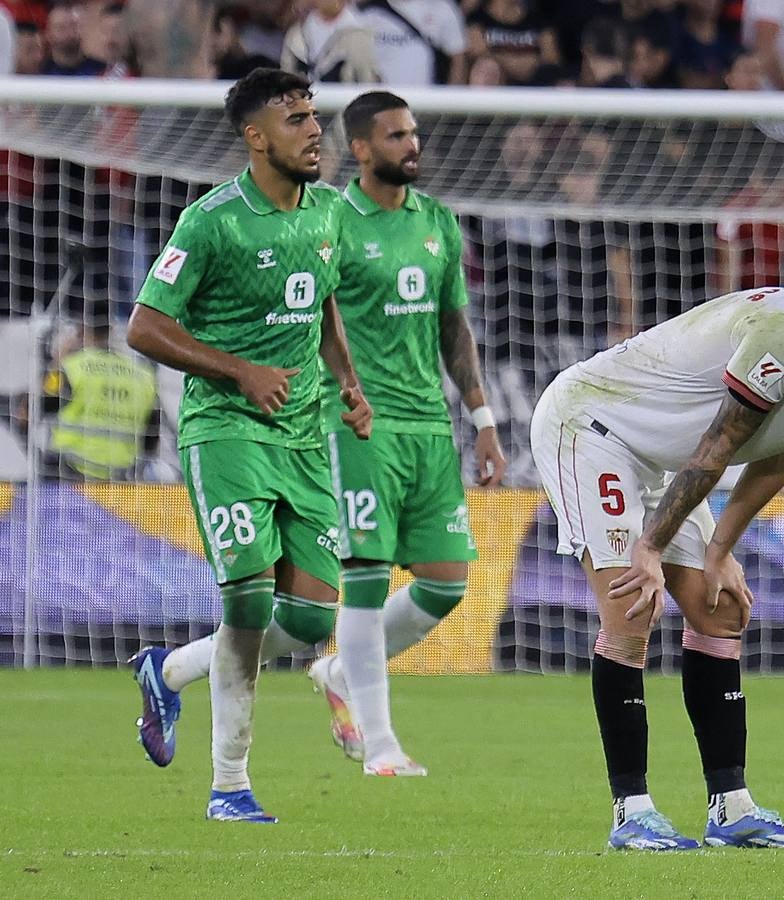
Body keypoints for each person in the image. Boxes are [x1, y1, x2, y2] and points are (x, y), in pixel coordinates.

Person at [530, 288, 784, 850]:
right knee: (631, 607)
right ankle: (632, 811)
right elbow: (720, 443)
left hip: (662, 462)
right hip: (592, 429)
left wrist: (720, 551)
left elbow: (781, 459)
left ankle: (731, 808)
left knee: (719, 609)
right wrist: (649, 549)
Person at [125, 69, 373, 823]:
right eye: (295, 119)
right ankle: (229, 785)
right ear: (255, 137)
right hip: (224, 430)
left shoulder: (330, 211)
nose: (313, 131)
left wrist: (348, 380)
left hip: (301, 436)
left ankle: (166, 673)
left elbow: (321, 293)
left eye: (314, 116)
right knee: (248, 601)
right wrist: (240, 370)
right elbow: (144, 325)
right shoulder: (211, 221)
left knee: (304, 623)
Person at [304, 91, 507, 776]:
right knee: (362, 575)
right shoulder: (331, 218)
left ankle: (338, 672)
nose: (411, 145)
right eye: (395, 136)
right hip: (359, 424)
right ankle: (381, 745)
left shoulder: (438, 224)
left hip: (429, 426)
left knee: (447, 583)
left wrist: (481, 418)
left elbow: (455, 332)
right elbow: (310, 318)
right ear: (360, 148)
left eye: (413, 133)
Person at [43, 318, 159, 481]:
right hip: (120, 476)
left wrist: (56, 361)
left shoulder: (71, 366)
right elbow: (152, 434)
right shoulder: (144, 375)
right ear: (110, 331)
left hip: (68, 471)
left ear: (81, 331)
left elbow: (43, 404)